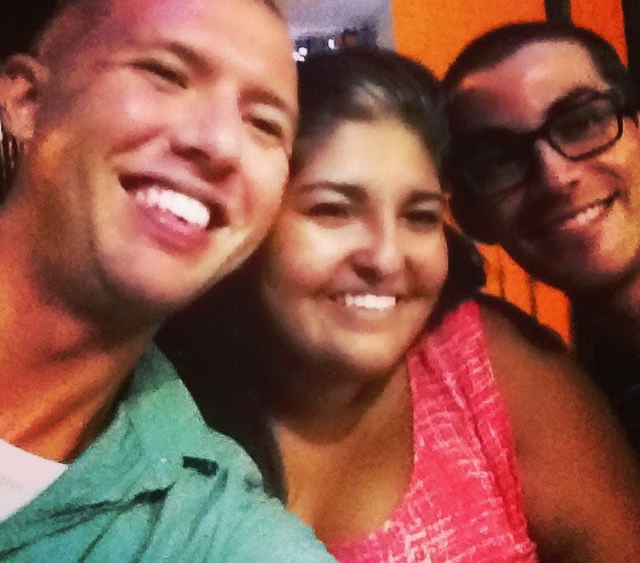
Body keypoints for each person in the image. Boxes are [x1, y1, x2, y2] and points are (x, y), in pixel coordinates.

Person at [160, 47, 640, 562]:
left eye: (419, 216)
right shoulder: (155, 410)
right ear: (252, 224)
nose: (386, 257)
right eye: (334, 210)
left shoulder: (484, 369)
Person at [0, 0, 337, 562]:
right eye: (165, 74)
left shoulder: (211, 529)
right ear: (28, 100)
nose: (219, 144)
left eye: (264, 125)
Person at [442, 21, 640, 455]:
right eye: (500, 160)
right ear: (473, 217)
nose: (555, 177)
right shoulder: (582, 413)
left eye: (583, 122)